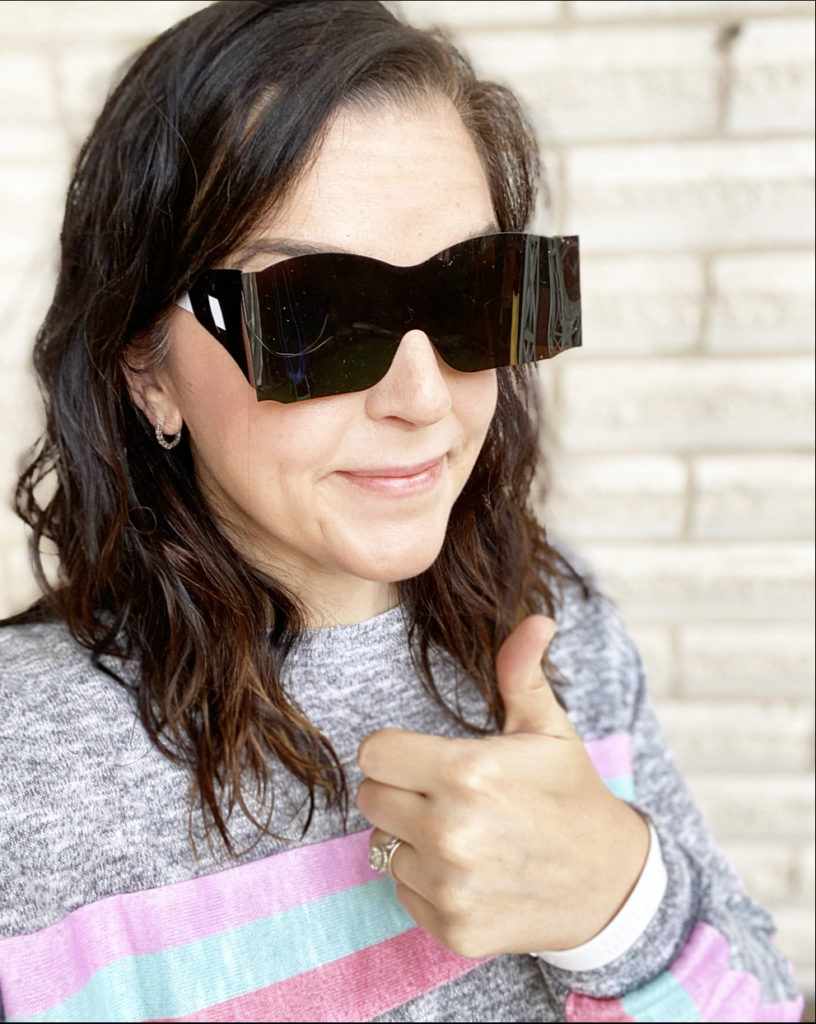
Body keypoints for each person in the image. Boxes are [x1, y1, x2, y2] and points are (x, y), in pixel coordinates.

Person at [0, 2, 803, 1021]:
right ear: (145, 367)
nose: (424, 396)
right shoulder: (17, 762)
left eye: (475, 292)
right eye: (316, 314)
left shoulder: (558, 624)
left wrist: (617, 901)